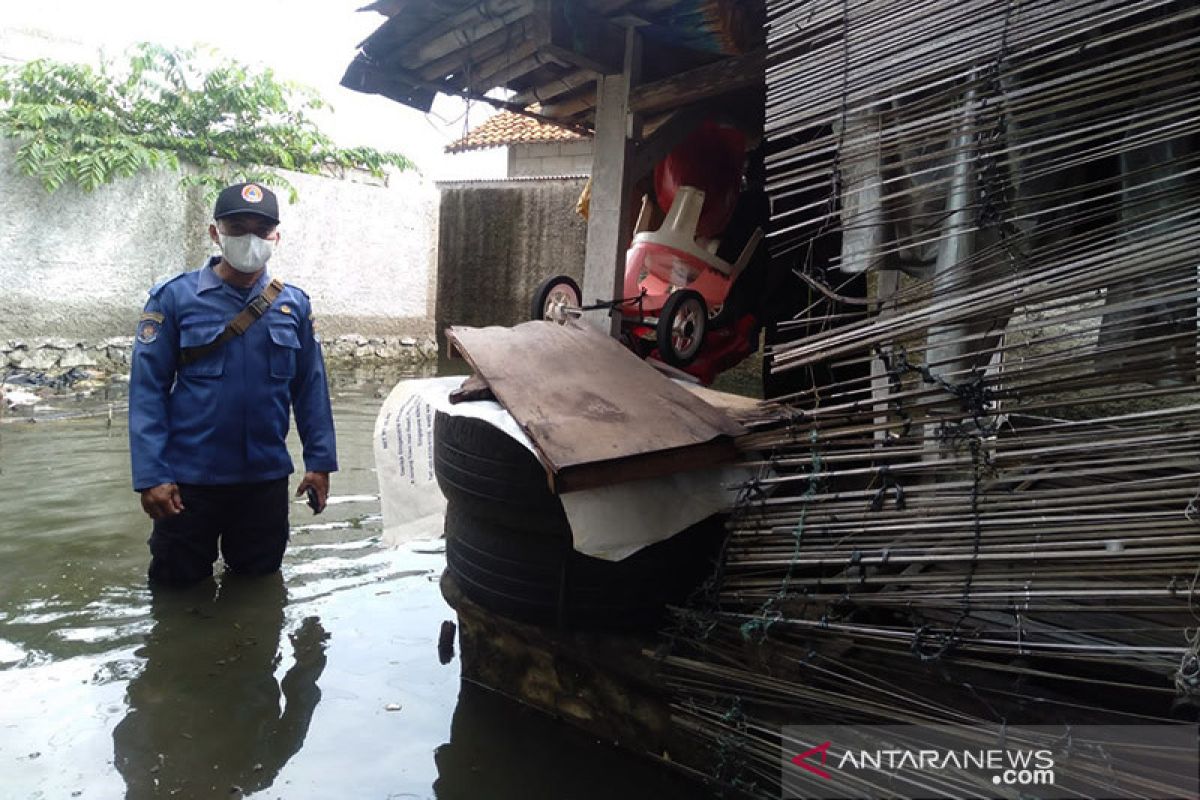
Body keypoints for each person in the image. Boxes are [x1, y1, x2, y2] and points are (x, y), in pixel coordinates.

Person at [128, 182, 337, 586]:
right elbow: (147, 391)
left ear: (275, 237)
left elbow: (310, 388)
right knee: (176, 591)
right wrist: (151, 475)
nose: (250, 239)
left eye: (261, 230)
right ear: (215, 233)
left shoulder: (293, 305)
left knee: (258, 588)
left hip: (264, 483)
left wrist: (320, 463)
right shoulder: (174, 299)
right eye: (237, 227)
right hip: (187, 485)